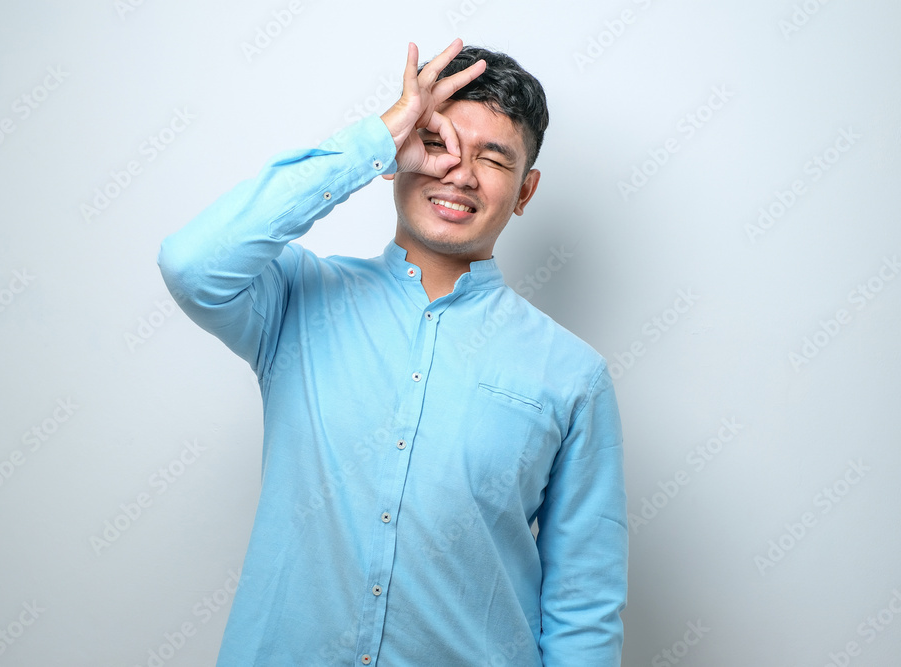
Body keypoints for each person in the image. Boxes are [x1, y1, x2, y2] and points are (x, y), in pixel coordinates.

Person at [158, 38, 627, 667]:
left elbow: (583, 607)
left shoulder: (574, 377)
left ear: (525, 191)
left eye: (492, 159)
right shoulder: (297, 298)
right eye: (438, 144)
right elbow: (192, 264)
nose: (460, 173)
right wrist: (374, 143)